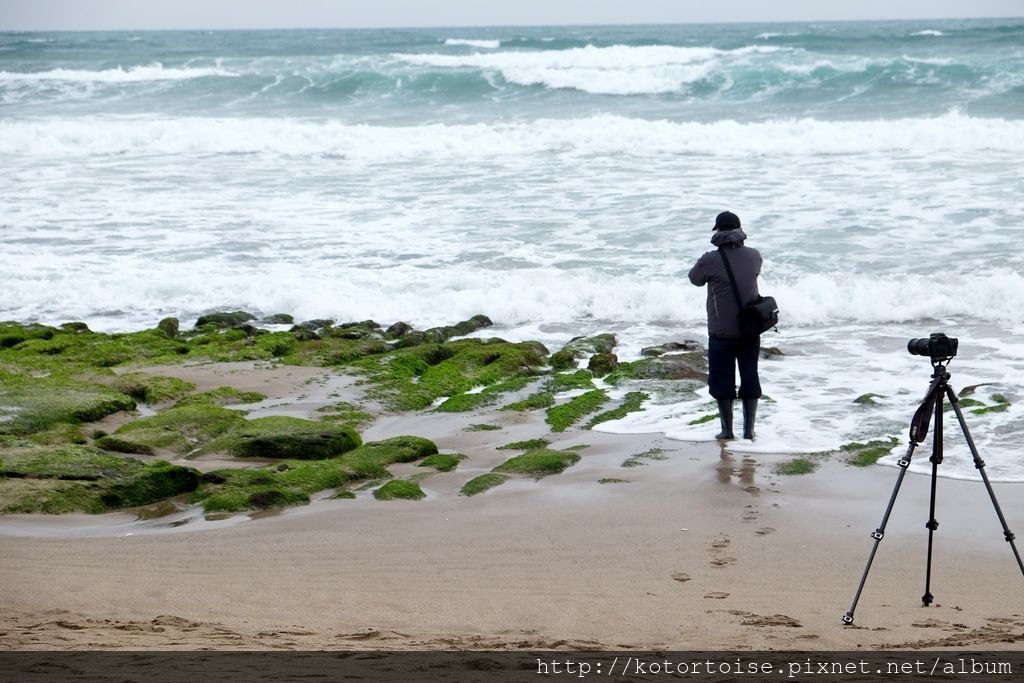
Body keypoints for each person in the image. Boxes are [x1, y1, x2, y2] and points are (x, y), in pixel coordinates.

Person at [687, 211, 763, 440]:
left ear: (718, 232)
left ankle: (727, 431)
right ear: (740, 232)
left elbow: (694, 279)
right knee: (750, 377)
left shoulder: (710, 259)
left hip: (721, 333)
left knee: (722, 381)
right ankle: (749, 431)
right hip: (750, 330)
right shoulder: (754, 256)